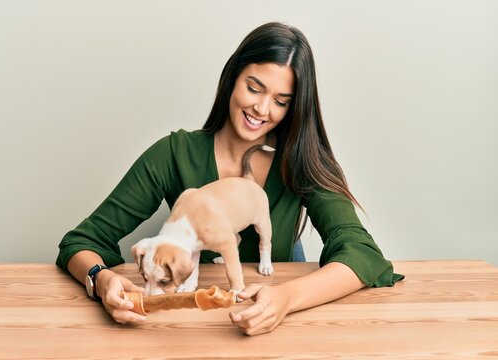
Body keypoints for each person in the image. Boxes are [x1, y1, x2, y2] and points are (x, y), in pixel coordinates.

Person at [56, 22, 404, 336]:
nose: (262, 110)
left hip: (279, 330)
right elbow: (82, 241)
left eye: (281, 101)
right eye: (254, 88)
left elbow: (362, 254)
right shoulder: (173, 154)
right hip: (190, 332)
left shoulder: (302, 161)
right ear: (232, 77)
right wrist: (101, 281)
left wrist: (285, 298)